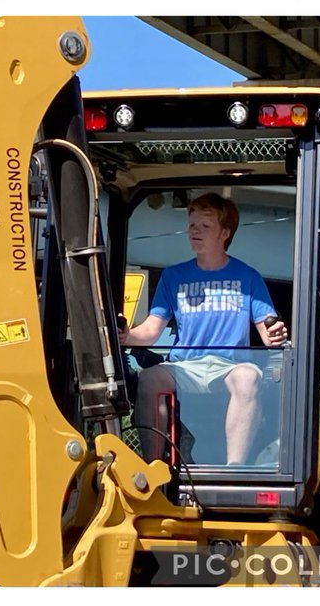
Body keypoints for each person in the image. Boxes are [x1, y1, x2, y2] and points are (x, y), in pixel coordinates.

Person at [118, 193, 288, 465]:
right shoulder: (173, 276)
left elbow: (268, 332)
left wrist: (276, 333)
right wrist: (127, 336)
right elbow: (151, 329)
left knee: (248, 377)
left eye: (205, 226)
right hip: (186, 366)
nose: (195, 231)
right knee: (149, 379)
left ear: (225, 233)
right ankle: (153, 467)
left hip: (230, 366)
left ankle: (235, 468)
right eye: (192, 225)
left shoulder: (248, 277)